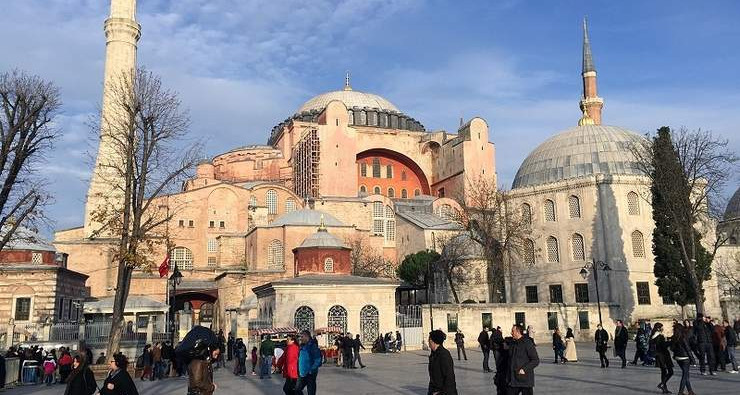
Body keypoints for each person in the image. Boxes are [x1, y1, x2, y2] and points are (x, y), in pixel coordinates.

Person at [508, 324, 540, 395]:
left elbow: (535, 360)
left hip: (525, 379)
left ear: (518, 332)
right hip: (514, 379)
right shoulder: (513, 343)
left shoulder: (527, 343)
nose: (511, 333)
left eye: (513, 331)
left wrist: (524, 369)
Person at [427, 329, 457, 395]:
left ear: (433, 341)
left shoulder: (444, 355)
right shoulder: (434, 354)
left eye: (429, 340)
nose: (428, 342)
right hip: (434, 389)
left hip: (443, 392)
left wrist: (441, 392)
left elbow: (449, 377)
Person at [295, 330, 322, 395]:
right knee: (297, 390)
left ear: (307, 337)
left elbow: (318, 359)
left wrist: (311, 370)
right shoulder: (302, 346)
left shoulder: (312, 346)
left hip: (310, 374)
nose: (300, 338)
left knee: (311, 392)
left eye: (302, 337)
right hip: (302, 373)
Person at [671, 323, 695, 395]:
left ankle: (690, 391)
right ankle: (680, 392)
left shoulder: (674, 337)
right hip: (685, 358)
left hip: (678, 358)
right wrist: (692, 359)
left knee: (686, 374)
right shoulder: (683, 337)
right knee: (685, 375)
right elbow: (688, 349)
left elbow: (672, 348)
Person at [649, 323, 673, 394]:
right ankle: (662, 384)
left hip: (659, 355)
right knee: (670, 372)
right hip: (663, 355)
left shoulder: (654, 335)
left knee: (664, 372)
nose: (663, 329)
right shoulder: (659, 336)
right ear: (659, 328)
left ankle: (664, 388)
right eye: (662, 327)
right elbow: (663, 346)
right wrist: (669, 342)